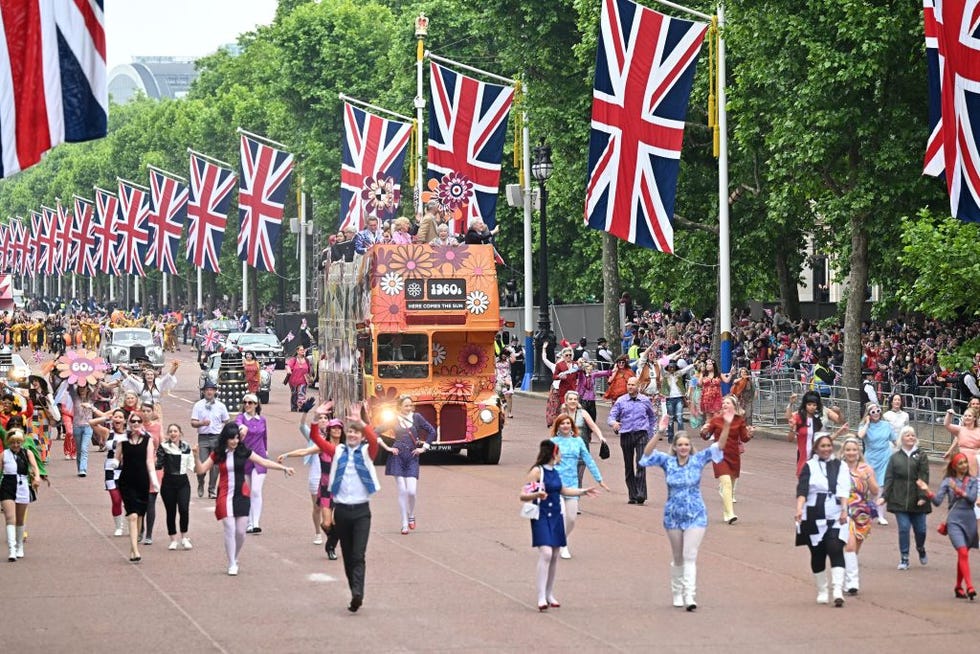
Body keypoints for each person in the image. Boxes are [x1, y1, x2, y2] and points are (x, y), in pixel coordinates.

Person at [640, 409, 733, 610]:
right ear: (674, 447)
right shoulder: (668, 462)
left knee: (690, 555)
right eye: (680, 445)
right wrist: (659, 432)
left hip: (696, 514)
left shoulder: (698, 460)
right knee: (678, 556)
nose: (683, 448)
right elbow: (646, 455)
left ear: (690, 447)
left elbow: (719, 446)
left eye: (686, 445)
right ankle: (677, 592)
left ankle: (690, 595)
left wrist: (726, 424)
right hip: (673, 515)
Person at [193, 422, 294, 576]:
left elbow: (263, 461)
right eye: (231, 438)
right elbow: (201, 470)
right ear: (225, 438)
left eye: (236, 438)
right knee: (229, 528)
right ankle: (232, 563)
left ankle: (235, 556)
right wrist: (196, 456)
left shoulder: (243, 451)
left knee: (240, 532)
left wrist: (284, 468)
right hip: (224, 494)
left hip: (242, 493)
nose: (234, 441)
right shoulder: (218, 453)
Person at [520, 440, 597, 611]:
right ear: (553, 453)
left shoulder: (555, 472)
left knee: (554, 555)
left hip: (555, 515)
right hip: (541, 516)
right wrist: (537, 493)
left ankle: (549, 593)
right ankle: (540, 595)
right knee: (546, 553)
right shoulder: (537, 471)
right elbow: (523, 495)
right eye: (559, 452)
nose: (561, 455)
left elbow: (564, 490)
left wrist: (582, 492)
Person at [328, 419, 382, 612]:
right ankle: (354, 591)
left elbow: (374, 441)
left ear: (361, 437)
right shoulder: (338, 452)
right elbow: (317, 440)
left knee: (358, 555)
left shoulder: (367, 452)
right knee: (348, 556)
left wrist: (361, 423)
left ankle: (358, 592)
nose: (352, 435)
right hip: (342, 511)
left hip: (361, 512)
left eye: (356, 433)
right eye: (350, 432)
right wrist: (316, 419)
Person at [795, 434, 851, 607]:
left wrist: (844, 510)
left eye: (829, 445)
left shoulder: (840, 465)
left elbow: (843, 488)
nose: (826, 449)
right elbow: (802, 489)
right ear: (816, 448)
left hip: (835, 512)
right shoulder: (809, 466)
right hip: (813, 513)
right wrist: (799, 508)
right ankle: (822, 589)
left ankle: (837, 590)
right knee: (818, 553)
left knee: (835, 547)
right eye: (822, 446)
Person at [281, 412, 342, 556]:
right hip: (326, 488)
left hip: (341, 490)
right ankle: (329, 538)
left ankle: (331, 546)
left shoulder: (346, 448)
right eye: (333, 428)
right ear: (329, 430)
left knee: (338, 522)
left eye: (339, 428)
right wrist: (287, 455)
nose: (336, 430)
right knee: (326, 523)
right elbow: (305, 451)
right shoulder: (324, 447)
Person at [918, 453, 979, 599]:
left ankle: (958, 587)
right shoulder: (947, 481)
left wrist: (959, 491)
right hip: (954, 521)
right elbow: (938, 501)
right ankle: (969, 586)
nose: (964, 465)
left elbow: (971, 499)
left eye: (965, 462)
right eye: (960, 463)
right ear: (954, 466)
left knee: (963, 554)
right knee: (962, 552)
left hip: (969, 519)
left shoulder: (972, 481)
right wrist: (927, 491)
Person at [549, 413, 609, 559]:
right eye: (562, 423)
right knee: (560, 514)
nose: (565, 426)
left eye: (568, 423)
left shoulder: (578, 442)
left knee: (571, 518)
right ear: (558, 426)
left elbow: (589, 460)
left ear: (572, 426)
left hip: (572, 485)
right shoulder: (552, 442)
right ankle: (562, 545)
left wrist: (599, 479)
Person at [379, 395, 436, 534]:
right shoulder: (393, 419)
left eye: (411, 405)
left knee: (411, 491)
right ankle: (404, 523)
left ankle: (411, 515)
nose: (409, 408)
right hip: (397, 456)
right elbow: (375, 432)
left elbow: (432, 431)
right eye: (406, 405)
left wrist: (424, 448)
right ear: (400, 406)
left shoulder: (417, 417)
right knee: (402, 491)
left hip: (412, 456)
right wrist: (387, 448)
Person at [879, 426, 931, 571]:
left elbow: (924, 476)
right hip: (899, 498)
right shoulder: (895, 457)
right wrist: (884, 496)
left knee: (921, 530)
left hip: (918, 500)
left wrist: (922, 496)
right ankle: (904, 557)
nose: (910, 437)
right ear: (902, 438)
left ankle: (920, 548)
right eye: (907, 435)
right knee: (903, 528)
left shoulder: (921, 455)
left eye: (913, 435)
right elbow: (889, 478)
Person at [116, 410, 160, 563]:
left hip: (142, 480)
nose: (135, 424)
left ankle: (134, 546)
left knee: (140, 514)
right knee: (132, 515)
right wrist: (112, 467)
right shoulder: (123, 439)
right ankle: (135, 549)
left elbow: (149, 461)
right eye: (133, 421)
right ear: (129, 423)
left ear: (142, 423)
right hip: (126, 481)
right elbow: (117, 458)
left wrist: (154, 480)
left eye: (138, 421)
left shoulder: (148, 440)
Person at [701, 395, 753, 524]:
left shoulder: (739, 420)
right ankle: (730, 514)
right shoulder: (716, 419)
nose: (724, 405)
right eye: (723, 403)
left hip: (734, 455)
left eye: (728, 403)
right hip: (719, 455)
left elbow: (744, 438)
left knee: (731, 484)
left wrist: (750, 434)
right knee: (726, 483)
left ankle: (726, 512)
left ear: (734, 407)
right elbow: (706, 436)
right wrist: (703, 431)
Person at [607, 377, 657, 505]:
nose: (630, 387)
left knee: (641, 463)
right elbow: (612, 416)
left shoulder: (645, 401)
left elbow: (652, 417)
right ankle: (632, 494)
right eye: (628, 384)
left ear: (638, 386)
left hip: (641, 434)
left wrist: (650, 433)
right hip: (626, 434)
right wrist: (614, 423)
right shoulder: (621, 401)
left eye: (633, 385)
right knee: (628, 465)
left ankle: (641, 494)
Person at [839, 436, 879, 595]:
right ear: (843, 451)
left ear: (859, 451)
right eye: (848, 450)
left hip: (862, 512)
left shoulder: (866, 468)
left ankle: (844, 576)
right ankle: (853, 583)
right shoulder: (838, 467)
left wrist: (867, 478)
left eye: (854, 449)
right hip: (844, 509)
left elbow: (875, 491)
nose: (851, 453)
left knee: (854, 549)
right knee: (849, 545)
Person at [1, 430, 39, 560]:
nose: (15, 445)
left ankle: (19, 547)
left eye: (18, 442)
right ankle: (12, 550)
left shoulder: (27, 453)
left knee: (20, 519)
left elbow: (35, 467)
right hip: (7, 485)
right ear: (8, 442)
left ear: (22, 442)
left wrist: (37, 477)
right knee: (10, 517)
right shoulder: (3, 455)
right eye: (12, 443)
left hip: (22, 485)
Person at [156, 423, 194, 551]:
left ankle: (184, 537)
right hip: (168, 482)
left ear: (180, 433)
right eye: (170, 431)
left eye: (175, 431)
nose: (173, 433)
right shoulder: (164, 446)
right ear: (168, 434)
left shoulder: (186, 446)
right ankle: (173, 539)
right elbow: (158, 464)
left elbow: (192, 465)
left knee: (184, 509)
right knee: (170, 511)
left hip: (183, 482)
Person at [91, 409, 129, 536]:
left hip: (128, 469)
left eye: (120, 417)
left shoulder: (131, 433)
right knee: (116, 499)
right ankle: (119, 526)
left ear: (125, 420)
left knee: (129, 499)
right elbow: (92, 423)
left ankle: (132, 524)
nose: (118, 419)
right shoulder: (108, 433)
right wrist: (107, 417)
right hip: (111, 470)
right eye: (116, 417)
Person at [858, 402, 897, 526]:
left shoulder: (886, 425)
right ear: (868, 414)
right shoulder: (864, 426)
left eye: (878, 411)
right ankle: (866, 511)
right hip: (870, 458)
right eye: (872, 412)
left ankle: (880, 515)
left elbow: (895, 440)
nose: (876, 414)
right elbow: (860, 435)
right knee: (870, 488)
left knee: (882, 488)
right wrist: (867, 423)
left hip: (885, 457)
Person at [190, 379, 229, 499]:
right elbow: (193, 422)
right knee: (201, 464)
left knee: (216, 465)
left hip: (217, 438)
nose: (209, 392)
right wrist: (201, 423)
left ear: (215, 392)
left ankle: (212, 489)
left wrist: (222, 431)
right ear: (203, 392)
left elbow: (226, 420)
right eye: (207, 390)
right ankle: (201, 482)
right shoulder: (198, 405)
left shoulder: (221, 406)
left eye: (211, 390)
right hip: (203, 438)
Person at [236, 394, 269, 534]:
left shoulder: (262, 420)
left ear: (256, 404)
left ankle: (256, 522)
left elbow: (265, 436)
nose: (247, 405)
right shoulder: (241, 418)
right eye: (245, 402)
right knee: (247, 492)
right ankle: (249, 522)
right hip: (245, 458)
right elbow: (238, 425)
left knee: (256, 490)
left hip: (260, 458)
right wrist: (242, 427)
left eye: (250, 402)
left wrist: (266, 451)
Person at [943, 407, 980, 476]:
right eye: (965, 416)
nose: (967, 417)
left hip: (975, 461)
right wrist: (949, 414)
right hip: (961, 460)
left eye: (969, 416)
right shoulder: (960, 429)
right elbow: (947, 425)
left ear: (974, 418)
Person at [285, 345, 312, 412]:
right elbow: (288, 365)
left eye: (303, 350)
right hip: (293, 381)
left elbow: (309, 370)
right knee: (294, 394)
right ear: (297, 351)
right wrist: (288, 370)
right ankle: (294, 407)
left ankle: (301, 407)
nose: (302, 351)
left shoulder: (306, 360)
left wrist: (310, 378)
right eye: (301, 350)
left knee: (301, 394)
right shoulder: (293, 360)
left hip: (303, 381)